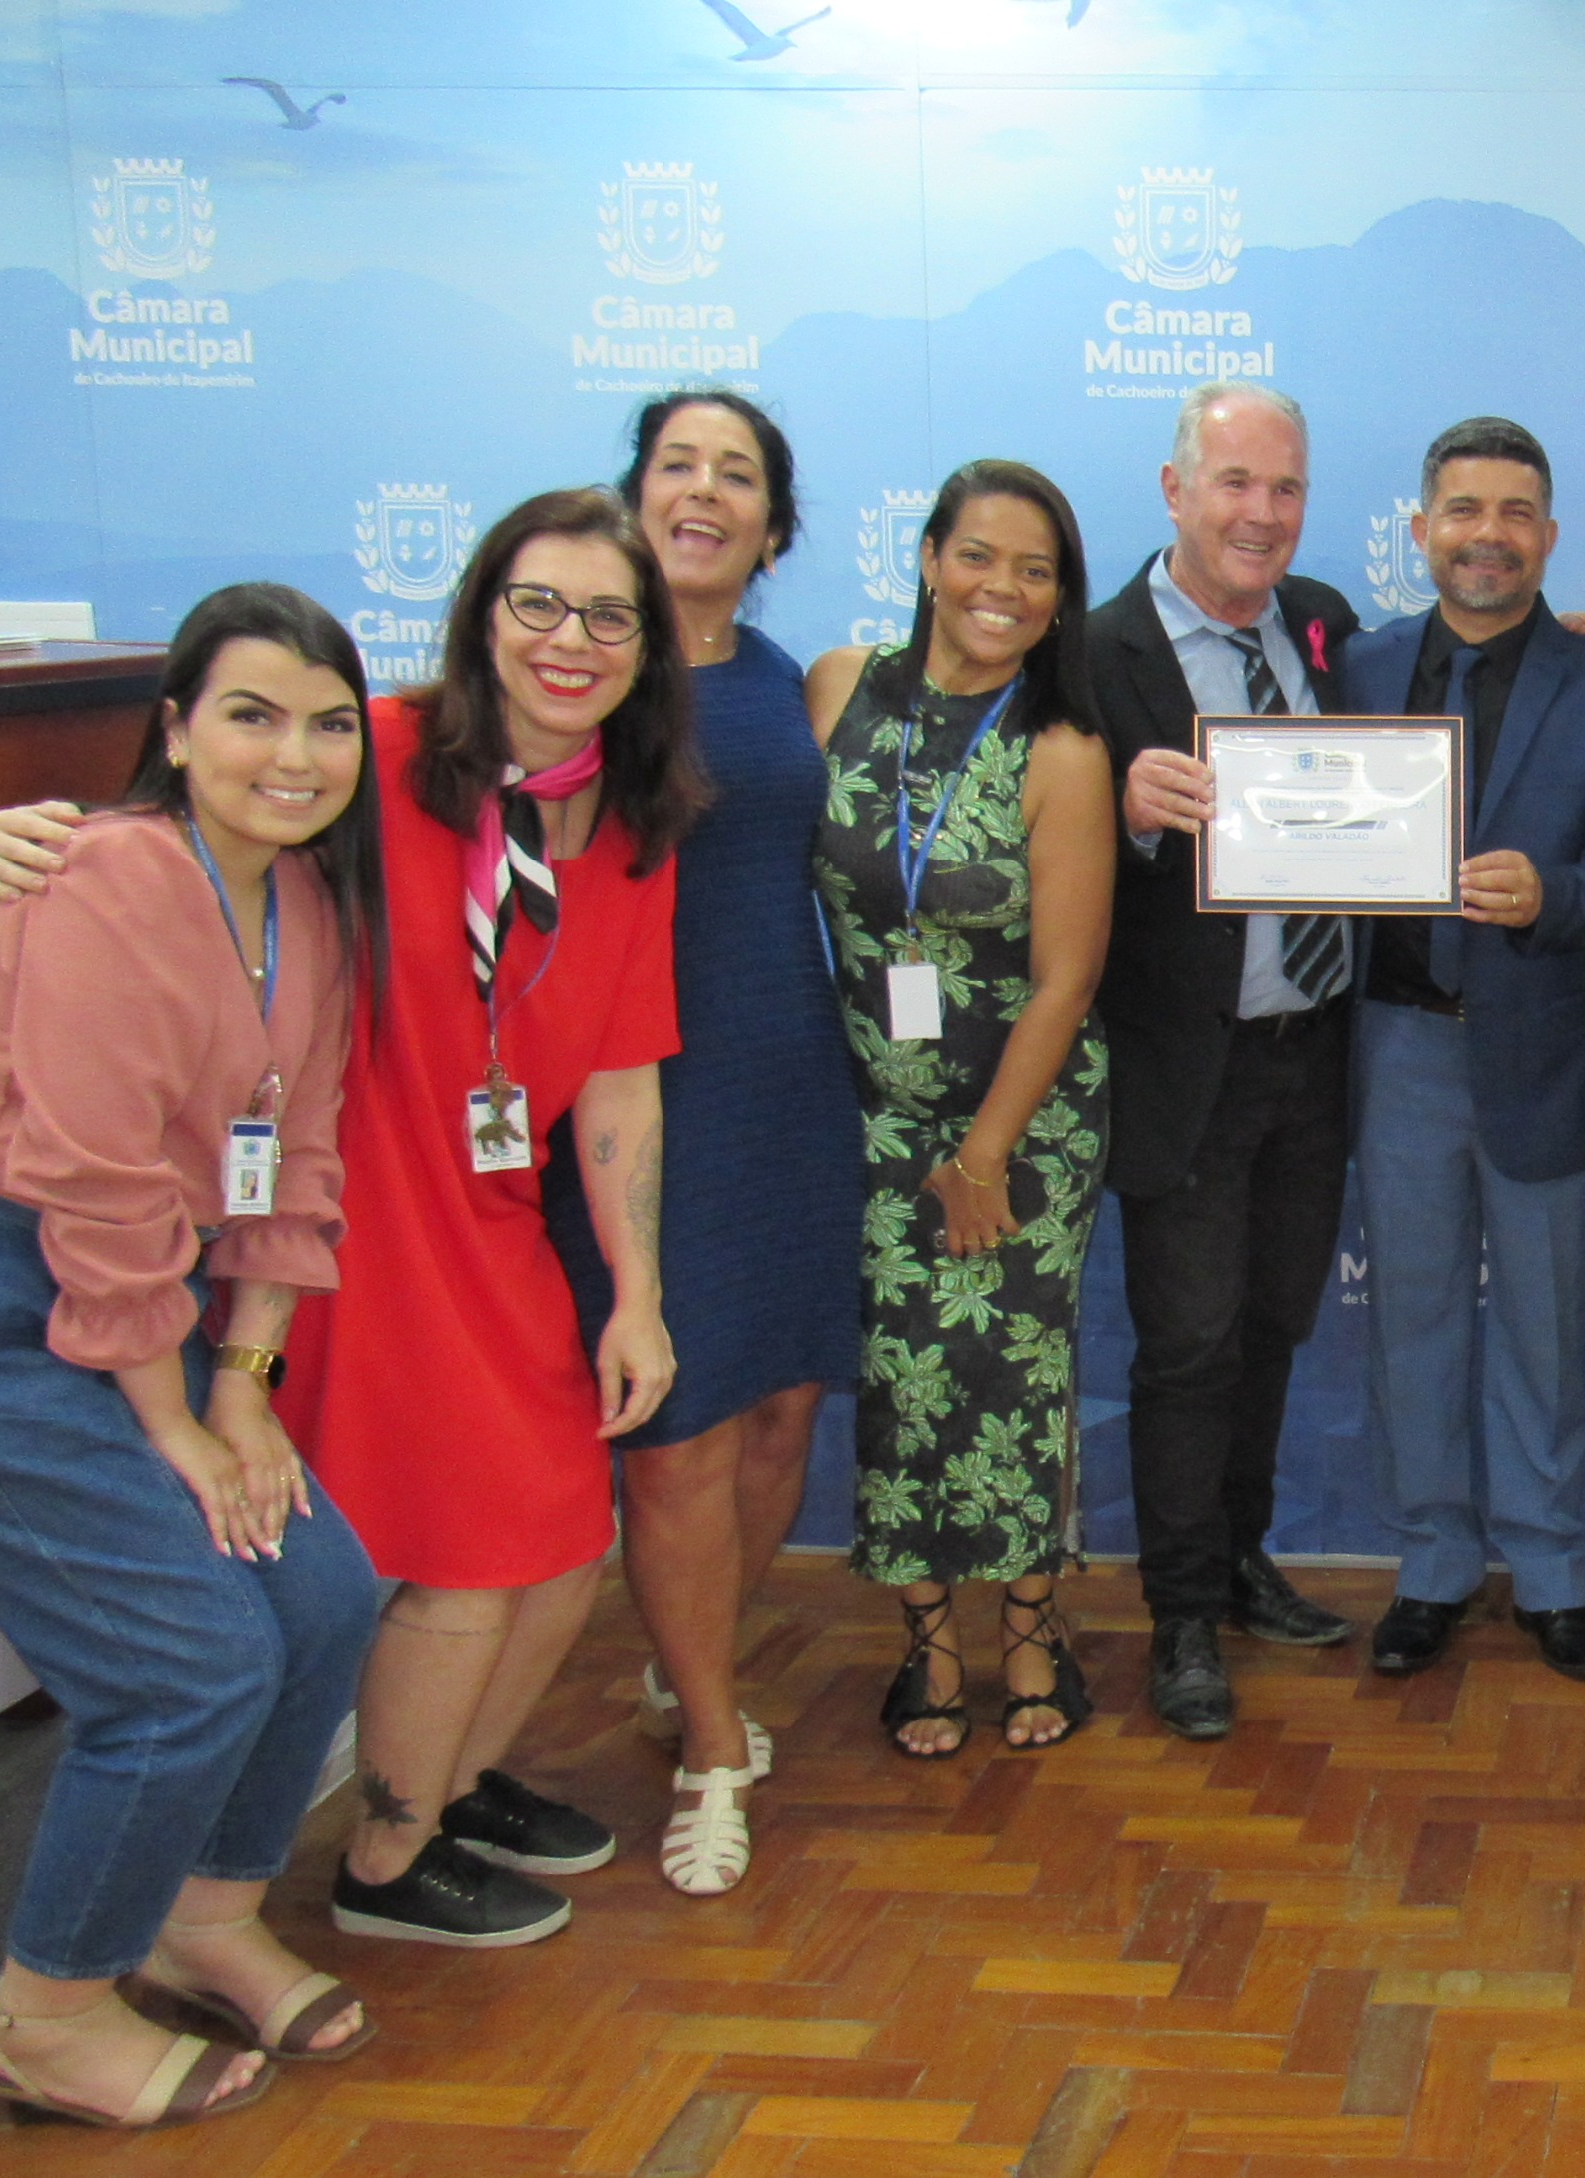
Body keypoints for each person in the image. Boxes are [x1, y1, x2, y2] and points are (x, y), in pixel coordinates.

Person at [0, 501, 700, 1946]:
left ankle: (452, 1784)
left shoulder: (631, 826)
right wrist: (42, 836)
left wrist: (637, 1290)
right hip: (341, 1217)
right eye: (538, 604)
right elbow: (200, 832)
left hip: (492, 1215)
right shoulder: (370, 749)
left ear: (647, 647)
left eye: (608, 616)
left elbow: (621, 1075)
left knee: (568, 1534)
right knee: (467, 1550)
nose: (570, 640)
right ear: (482, 611)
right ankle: (386, 1856)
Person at [0, 587, 385, 2126]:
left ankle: (205, 1917)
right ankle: (47, 2016)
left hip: (123, 1301)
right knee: (188, 1660)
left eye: (329, 722)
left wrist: (245, 1390)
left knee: (323, 1592)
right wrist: (179, 1426)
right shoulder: (109, 877)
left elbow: (296, 1162)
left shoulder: (310, 904)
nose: (295, 753)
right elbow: (99, 1181)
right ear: (177, 730)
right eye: (252, 714)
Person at [564, 390, 856, 1888]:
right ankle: (710, 1749)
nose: (705, 492)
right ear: (636, 496)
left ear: (773, 528)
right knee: (675, 1432)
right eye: (678, 465)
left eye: (737, 474)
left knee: (783, 1410)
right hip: (640, 1096)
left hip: (792, 1080)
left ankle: (692, 1667)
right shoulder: (582, 675)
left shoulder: (787, 679)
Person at [1338, 418, 1585, 1703]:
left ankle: (1551, 1575)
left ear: (1549, 533)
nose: (1489, 535)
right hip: (1397, 1046)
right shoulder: (1357, 666)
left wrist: (1551, 896)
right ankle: (1430, 1564)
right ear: (1422, 529)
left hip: (1548, 1050)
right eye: (1464, 510)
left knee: (1546, 1329)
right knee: (1410, 1323)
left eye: (1516, 511)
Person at [806, 458, 1116, 1759]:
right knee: (903, 1377)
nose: (1003, 588)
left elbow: (1066, 977)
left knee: (1013, 1376)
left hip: (1024, 1120)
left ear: (1061, 598)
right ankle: (927, 1642)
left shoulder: (1063, 747)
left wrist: (985, 1151)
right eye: (979, 555)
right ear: (930, 558)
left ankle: (1032, 1631)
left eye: (1036, 571)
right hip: (872, 1111)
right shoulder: (838, 688)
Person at [1093, 381, 1368, 1709]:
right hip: (1184, 1068)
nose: (1262, 513)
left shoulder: (1324, 622)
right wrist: (1120, 812)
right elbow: (1023, 851)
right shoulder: (1094, 653)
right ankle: (1182, 1615)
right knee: (1188, 1347)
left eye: (1286, 487)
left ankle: (1242, 1556)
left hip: (1313, 1052)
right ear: (1174, 490)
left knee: (1268, 1328)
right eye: (1235, 483)